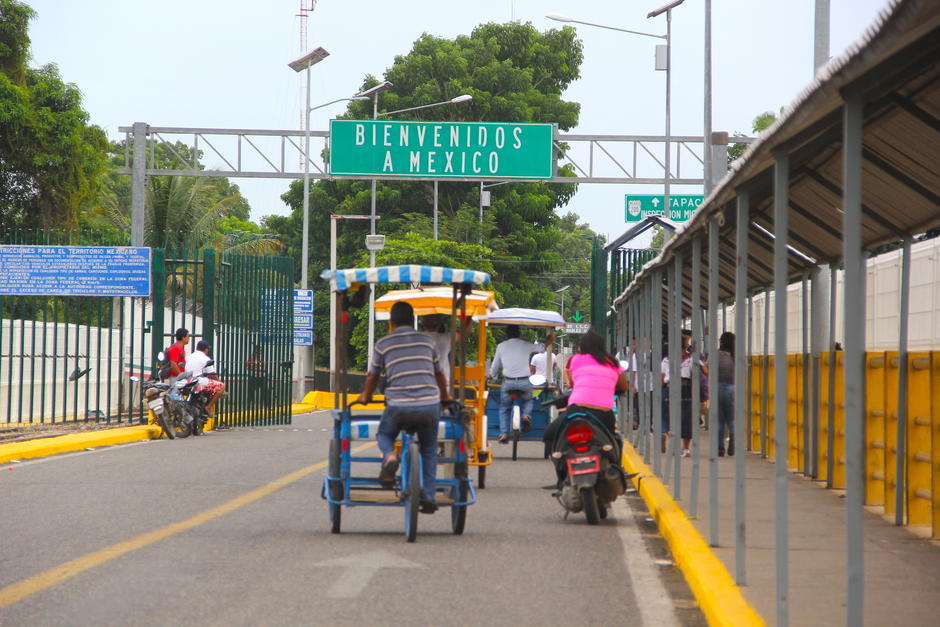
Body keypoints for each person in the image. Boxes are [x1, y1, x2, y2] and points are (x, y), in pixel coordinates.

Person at [357, 301, 451, 514]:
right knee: (428, 448)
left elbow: (373, 375)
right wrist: (445, 398)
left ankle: (390, 457)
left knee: (385, 434)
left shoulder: (383, 343)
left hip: (398, 406)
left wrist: (366, 396)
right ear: (412, 320)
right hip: (429, 405)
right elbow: (439, 374)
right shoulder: (428, 342)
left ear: (392, 322)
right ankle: (428, 495)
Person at [488, 324, 554, 442]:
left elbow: (494, 367)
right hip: (524, 382)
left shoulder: (501, 346)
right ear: (519, 334)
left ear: (506, 334)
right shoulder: (525, 344)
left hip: (508, 382)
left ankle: (503, 434)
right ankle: (526, 416)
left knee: (504, 408)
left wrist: (491, 376)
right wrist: (549, 340)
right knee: (528, 400)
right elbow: (541, 347)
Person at [661, 331, 694, 458]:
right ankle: (685, 448)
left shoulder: (667, 360)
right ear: (686, 345)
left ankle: (673, 446)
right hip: (686, 389)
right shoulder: (691, 359)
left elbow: (662, 378)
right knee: (686, 419)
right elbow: (701, 373)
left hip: (671, 389)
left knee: (671, 417)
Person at [185, 340, 226, 417]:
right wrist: (219, 382)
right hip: (199, 381)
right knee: (221, 387)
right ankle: (208, 406)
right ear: (206, 349)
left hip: (189, 381)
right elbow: (212, 374)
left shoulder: (190, 356)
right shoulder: (205, 358)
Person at [717, 331, 735, 456]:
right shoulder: (736, 355)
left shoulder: (716, 355)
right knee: (732, 419)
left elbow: (708, 370)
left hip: (718, 387)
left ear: (722, 342)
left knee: (719, 420)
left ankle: (720, 447)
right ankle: (733, 435)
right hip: (733, 389)